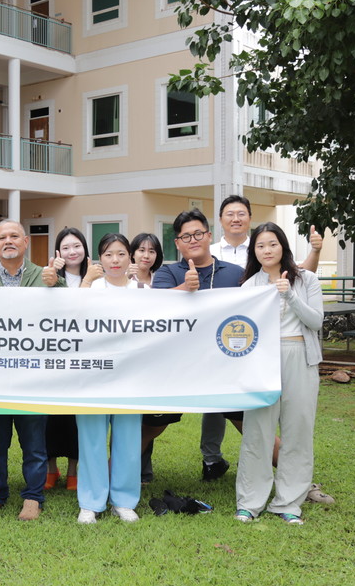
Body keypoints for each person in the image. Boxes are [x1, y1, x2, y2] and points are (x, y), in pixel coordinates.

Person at [0, 219, 64, 521]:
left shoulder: (44, 277)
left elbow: (66, 317)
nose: (8, 241)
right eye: (2, 238)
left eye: (14, 236)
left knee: (34, 443)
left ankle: (33, 497)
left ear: (26, 242)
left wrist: (56, 286)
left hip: (32, 377)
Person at [235, 222, 324, 525]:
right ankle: (250, 501)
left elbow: (316, 322)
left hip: (299, 355)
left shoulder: (307, 279)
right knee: (257, 431)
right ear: (254, 251)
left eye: (272, 244)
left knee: (298, 430)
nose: (267, 250)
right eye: (260, 246)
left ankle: (289, 502)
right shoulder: (249, 287)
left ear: (283, 246)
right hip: (262, 361)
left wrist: (290, 296)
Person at [150, 209, 245, 481]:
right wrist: (183, 290)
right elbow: (153, 308)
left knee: (250, 427)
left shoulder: (237, 274)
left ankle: (298, 480)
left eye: (198, 234)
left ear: (209, 236)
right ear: (177, 243)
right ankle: (110, 475)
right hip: (177, 368)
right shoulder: (168, 273)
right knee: (149, 428)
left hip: (225, 368)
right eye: (185, 236)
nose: (193, 240)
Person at [75, 233, 142, 523]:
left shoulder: (143, 290)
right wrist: (86, 282)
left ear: (131, 257)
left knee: (127, 437)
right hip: (93, 374)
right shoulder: (91, 288)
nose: (115, 260)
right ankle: (90, 502)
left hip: (130, 375)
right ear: (99, 259)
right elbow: (71, 319)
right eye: (108, 254)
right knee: (91, 437)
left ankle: (124, 501)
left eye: (121, 254)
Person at [43, 227, 100, 491]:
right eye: (65, 247)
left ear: (85, 249)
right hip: (55, 356)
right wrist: (52, 278)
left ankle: (74, 469)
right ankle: (50, 468)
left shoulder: (97, 276)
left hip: (87, 357)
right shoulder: (51, 277)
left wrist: (89, 279)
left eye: (76, 246)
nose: (72, 251)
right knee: (52, 415)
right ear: (58, 252)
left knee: (79, 416)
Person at [125, 232, 164, 481]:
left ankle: (143, 468)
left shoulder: (162, 279)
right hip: (128, 354)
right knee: (129, 414)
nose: (146, 255)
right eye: (141, 250)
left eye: (151, 251)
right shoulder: (123, 278)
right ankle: (126, 466)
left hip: (154, 355)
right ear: (133, 252)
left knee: (148, 415)